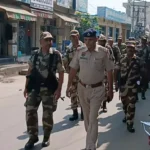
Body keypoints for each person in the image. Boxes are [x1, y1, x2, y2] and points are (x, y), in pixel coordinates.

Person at [66, 28, 114, 150]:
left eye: (91, 40)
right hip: (82, 89)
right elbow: (73, 69)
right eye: (86, 40)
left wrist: (110, 90)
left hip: (97, 90)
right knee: (87, 118)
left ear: (96, 39)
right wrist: (68, 85)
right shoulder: (80, 51)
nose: (87, 42)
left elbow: (109, 71)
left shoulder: (104, 52)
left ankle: (90, 146)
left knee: (93, 117)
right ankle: (92, 137)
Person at [23, 31, 64, 149]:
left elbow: (61, 72)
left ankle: (46, 137)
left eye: (50, 40)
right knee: (30, 111)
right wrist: (26, 87)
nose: (49, 42)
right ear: (40, 42)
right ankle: (33, 136)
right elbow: (29, 71)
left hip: (49, 89)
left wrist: (59, 89)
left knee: (47, 114)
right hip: (35, 88)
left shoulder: (56, 55)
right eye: (46, 40)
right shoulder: (35, 54)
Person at [116, 43, 145, 133]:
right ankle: (126, 115)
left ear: (134, 50)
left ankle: (130, 123)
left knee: (131, 105)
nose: (130, 50)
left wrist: (139, 84)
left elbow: (142, 73)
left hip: (133, 87)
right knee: (124, 104)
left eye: (132, 49)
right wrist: (115, 83)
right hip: (123, 86)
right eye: (129, 48)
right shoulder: (121, 58)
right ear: (126, 49)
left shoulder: (138, 60)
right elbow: (116, 70)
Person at [63, 30, 84, 121]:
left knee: (82, 95)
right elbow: (65, 60)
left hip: (83, 76)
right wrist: (68, 71)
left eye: (74, 36)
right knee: (73, 94)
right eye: (71, 37)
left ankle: (83, 113)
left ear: (78, 36)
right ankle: (75, 113)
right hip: (73, 76)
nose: (73, 38)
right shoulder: (69, 49)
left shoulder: (84, 47)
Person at [98, 34, 115, 112]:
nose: (101, 43)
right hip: (97, 71)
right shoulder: (96, 48)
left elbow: (112, 59)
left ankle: (104, 104)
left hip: (106, 71)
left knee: (105, 88)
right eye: (100, 41)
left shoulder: (108, 48)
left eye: (103, 41)